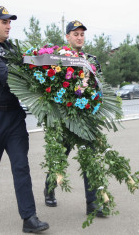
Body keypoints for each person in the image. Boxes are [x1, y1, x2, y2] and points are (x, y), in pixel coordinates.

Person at [0, 6, 49, 233]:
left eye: (9, 22)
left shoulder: (13, 48)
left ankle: (29, 218)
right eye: (4, 22)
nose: (8, 26)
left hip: (14, 117)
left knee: (21, 166)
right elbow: (8, 76)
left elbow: (29, 65)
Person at [43, 20, 104, 217]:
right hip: (66, 120)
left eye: (82, 34)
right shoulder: (58, 58)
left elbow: (100, 87)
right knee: (60, 156)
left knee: (89, 160)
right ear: (67, 36)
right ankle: (50, 187)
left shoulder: (91, 60)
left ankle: (92, 204)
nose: (79, 37)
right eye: (75, 34)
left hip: (86, 120)